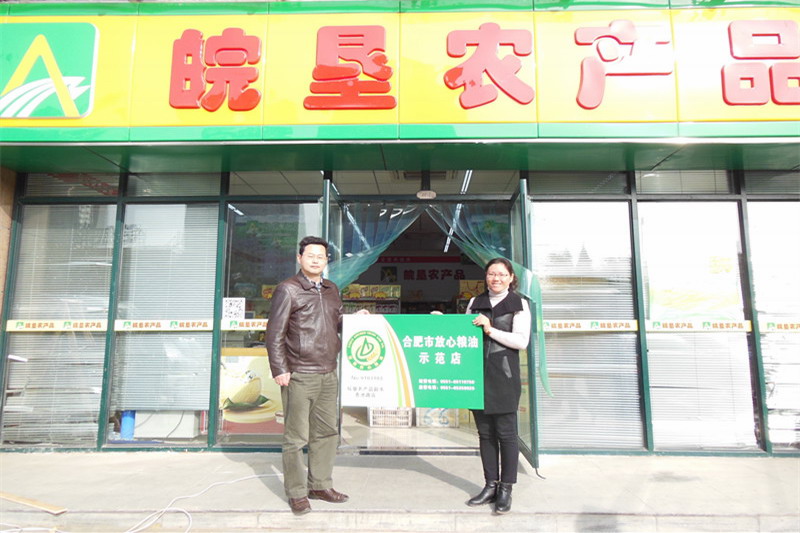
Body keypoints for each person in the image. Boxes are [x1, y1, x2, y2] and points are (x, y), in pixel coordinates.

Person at [266, 236, 352, 515]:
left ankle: (320, 485)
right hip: (300, 374)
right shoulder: (288, 289)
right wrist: (280, 369)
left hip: (328, 371)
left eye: (321, 256)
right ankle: (296, 492)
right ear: (299, 258)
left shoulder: (331, 289)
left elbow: (336, 321)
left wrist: (356, 319)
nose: (316, 260)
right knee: (296, 437)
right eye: (310, 255)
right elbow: (274, 333)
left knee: (326, 432)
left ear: (327, 261)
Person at [464, 257, 531, 514]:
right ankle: (490, 485)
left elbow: (521, 341)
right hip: (477, 375)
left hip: (504, 376)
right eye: (492, 274)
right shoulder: (475, 302)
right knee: (485, 434)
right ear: (486, 277)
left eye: (502, 274)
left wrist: (490, 330)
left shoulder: (519, 304)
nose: (496, 279)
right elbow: (464, 335)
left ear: (511, 277)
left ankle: (506, 488)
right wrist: (442, 323)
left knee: (506, 434)